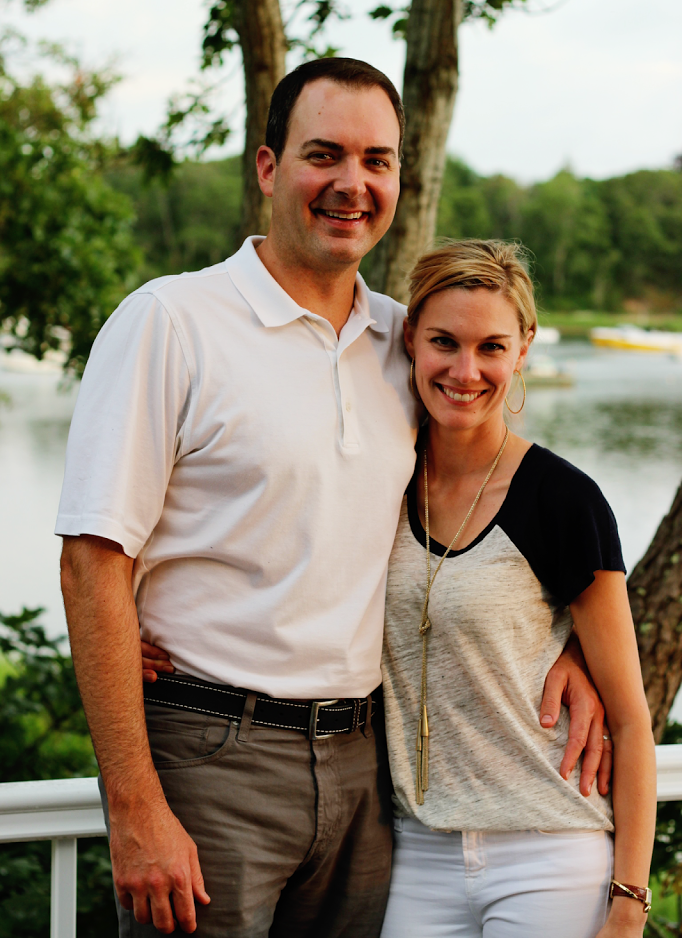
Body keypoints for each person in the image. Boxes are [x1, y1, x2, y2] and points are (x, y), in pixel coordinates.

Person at [58, 58, 610, 938]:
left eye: (377, 160)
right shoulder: (172, 321)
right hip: (212, 756)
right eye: (325, 155)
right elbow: (92, 557)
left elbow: (496, 491)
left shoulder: (406, 339)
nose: (352, 184)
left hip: (367, 772)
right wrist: (133, 803)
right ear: (270, 168)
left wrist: (572, 637)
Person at [377, 240, 656, 938]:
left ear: (524, 347)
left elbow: (629, 721)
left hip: (549, 852)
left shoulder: (564, 501)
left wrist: (628, 902)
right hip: (417, 852)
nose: (465, 371)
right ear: (410, 337)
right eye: (444, 341)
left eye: (491, 347)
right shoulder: (378, 481)